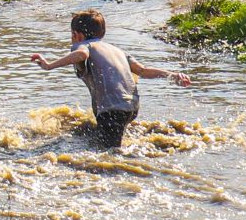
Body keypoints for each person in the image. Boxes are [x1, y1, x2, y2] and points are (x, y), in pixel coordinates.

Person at [30, 10, 192, 148]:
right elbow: (143, 71)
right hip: (131, 109)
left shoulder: (83, 45)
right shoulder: (118, 50)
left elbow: (81, 55)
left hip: (111, 111)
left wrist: (49, 65)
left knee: (109, 155)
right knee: (102, 139)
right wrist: (173, 75)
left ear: (76, 35)